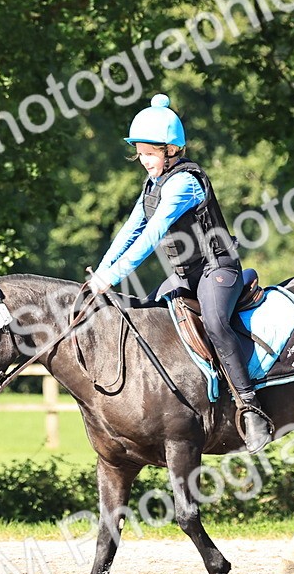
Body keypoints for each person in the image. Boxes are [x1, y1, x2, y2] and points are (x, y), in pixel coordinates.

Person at [88, 93, 273, 453]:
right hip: (186, 276)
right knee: (149, 311)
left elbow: (153, 233)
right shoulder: (153, 185)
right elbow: (130, 231)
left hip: (217, 270)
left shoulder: (184, 183)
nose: (143, 161)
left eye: (149, 153)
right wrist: (102, 271)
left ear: (172, 150)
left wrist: (115, 275)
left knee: (217, 325)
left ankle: (251, 408)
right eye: (139, 154)